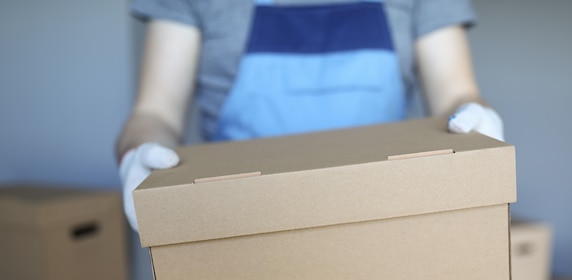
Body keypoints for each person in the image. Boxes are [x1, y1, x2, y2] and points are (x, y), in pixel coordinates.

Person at [117, 0, 504, 232]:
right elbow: (155, 113)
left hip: (389, 220)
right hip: (239, 226)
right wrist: (139, 152)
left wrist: (478, 122)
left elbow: (456, 93)